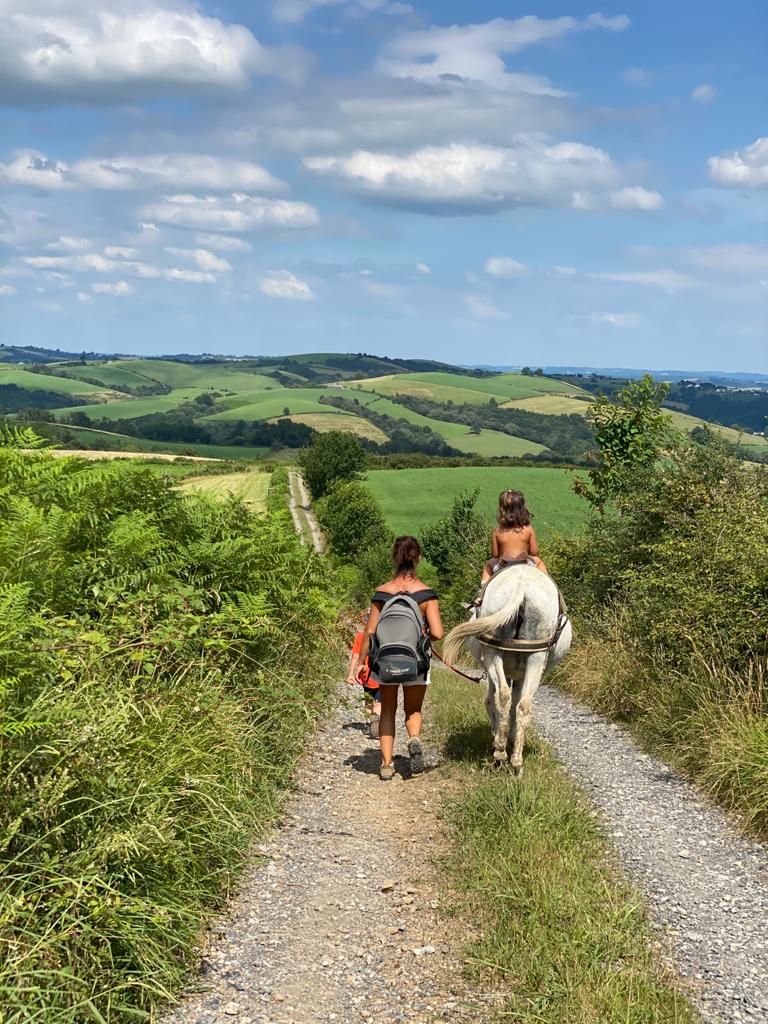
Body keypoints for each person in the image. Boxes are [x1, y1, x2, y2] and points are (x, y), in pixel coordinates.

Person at [357, 536, 443, 781]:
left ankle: (386, 764)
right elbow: (437, 633)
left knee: (387, 710)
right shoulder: (426, 594)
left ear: (394, 558)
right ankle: (414, 739)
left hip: (385, 661)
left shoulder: (382, 593)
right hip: (415, 660)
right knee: (413, 708)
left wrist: (361, 662)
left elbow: (369, 633)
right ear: (418, 558)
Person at [481, 489, 548, 585]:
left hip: (504, 566)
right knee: (539, 562)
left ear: (502, 510)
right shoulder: (528, 529)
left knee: (488, 565)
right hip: (524, 563)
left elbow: (495, 555)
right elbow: (534, 552)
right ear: (522, 509)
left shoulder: (497, 531)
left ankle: (481, 592)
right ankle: (545, 584)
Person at [346, 610, 382, 738]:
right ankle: (376, 720)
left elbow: (355, 656)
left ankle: (368, 725)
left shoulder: (361, 636)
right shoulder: (384, 636)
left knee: (368, 698)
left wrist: (351, 674)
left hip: (365, 673)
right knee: (379, 701)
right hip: (381, 672)